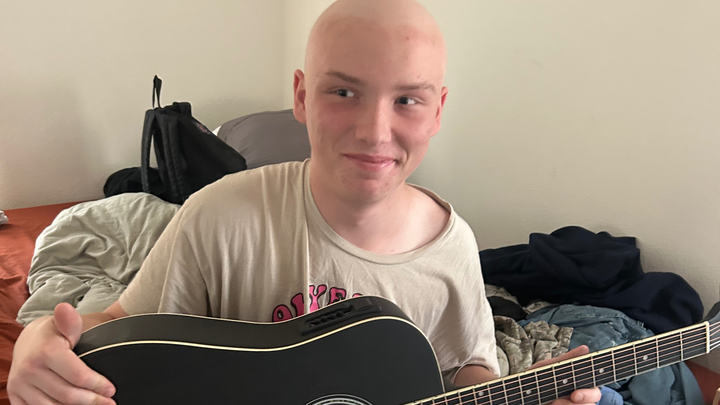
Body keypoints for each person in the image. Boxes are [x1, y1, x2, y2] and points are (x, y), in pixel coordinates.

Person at [8, 0, 601, 404]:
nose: (374, 131)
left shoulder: (453, 247)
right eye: (343, 91)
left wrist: (523, 393)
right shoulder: (220, 215)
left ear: (438, 110)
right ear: (301, 96)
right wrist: (42, 340)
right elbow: (119, 330)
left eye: (407, 100)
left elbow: (464, 373)